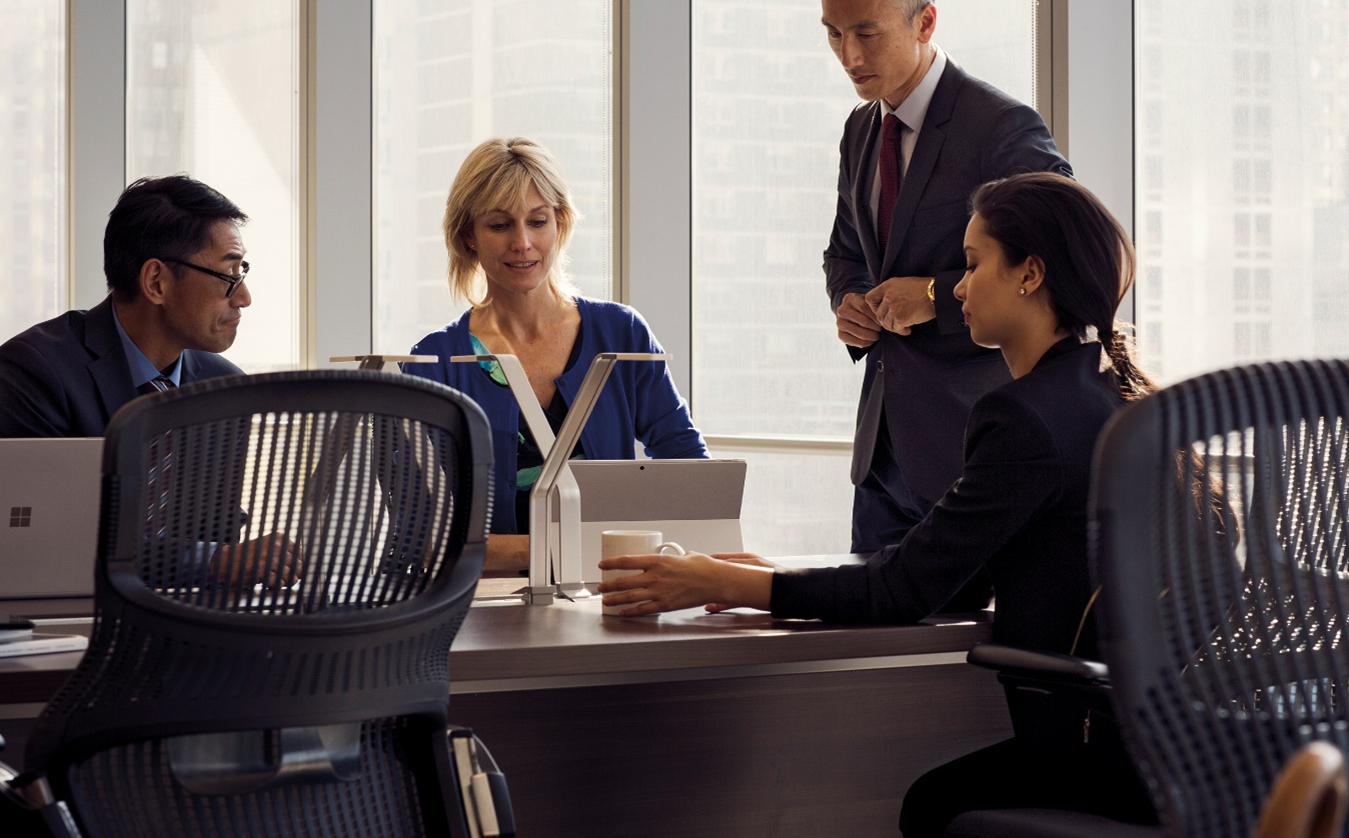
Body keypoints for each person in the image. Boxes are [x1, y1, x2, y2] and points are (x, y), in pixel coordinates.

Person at [600, 172, 1159, 835]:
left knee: (930, 806)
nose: (955, 286)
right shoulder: (1116, 394)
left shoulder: (1025, 417)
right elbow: (956, 575)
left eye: (975, 263)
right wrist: (763, 576)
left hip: (1093, 753)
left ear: (1030, 274)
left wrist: (724, 581)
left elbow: (905, 588)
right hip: (1166, 750)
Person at [818, 0, 1073, 559]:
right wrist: (850, 301)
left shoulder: (999, 126)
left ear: (925, 21)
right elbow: (845, 252)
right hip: (879, 460)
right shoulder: (861, 128)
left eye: (866, 33)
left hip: (969, 444)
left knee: (965, 651)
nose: (847, 55)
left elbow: (1059, 254)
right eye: (832, 33)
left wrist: (934, 295)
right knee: (866, 648)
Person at [403, 137, 707, 575]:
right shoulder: (433, 361)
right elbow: (420, 539)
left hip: (609, 591)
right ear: (468, 235)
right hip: (486, 610)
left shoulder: (621, 333)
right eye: (499, 225)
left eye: (538, 220)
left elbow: (692, 476)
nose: (522, 242)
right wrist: (567, 550)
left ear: (560, 224)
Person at [0, 174, 299, 589]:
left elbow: (219, 533)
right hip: (62, 622)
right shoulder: (34, 372)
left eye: (242, 271)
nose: (243, 296)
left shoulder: (225, 387)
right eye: (229, 274)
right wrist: (211, 562)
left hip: (185, 626)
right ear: (156, 282)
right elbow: (50, 540)